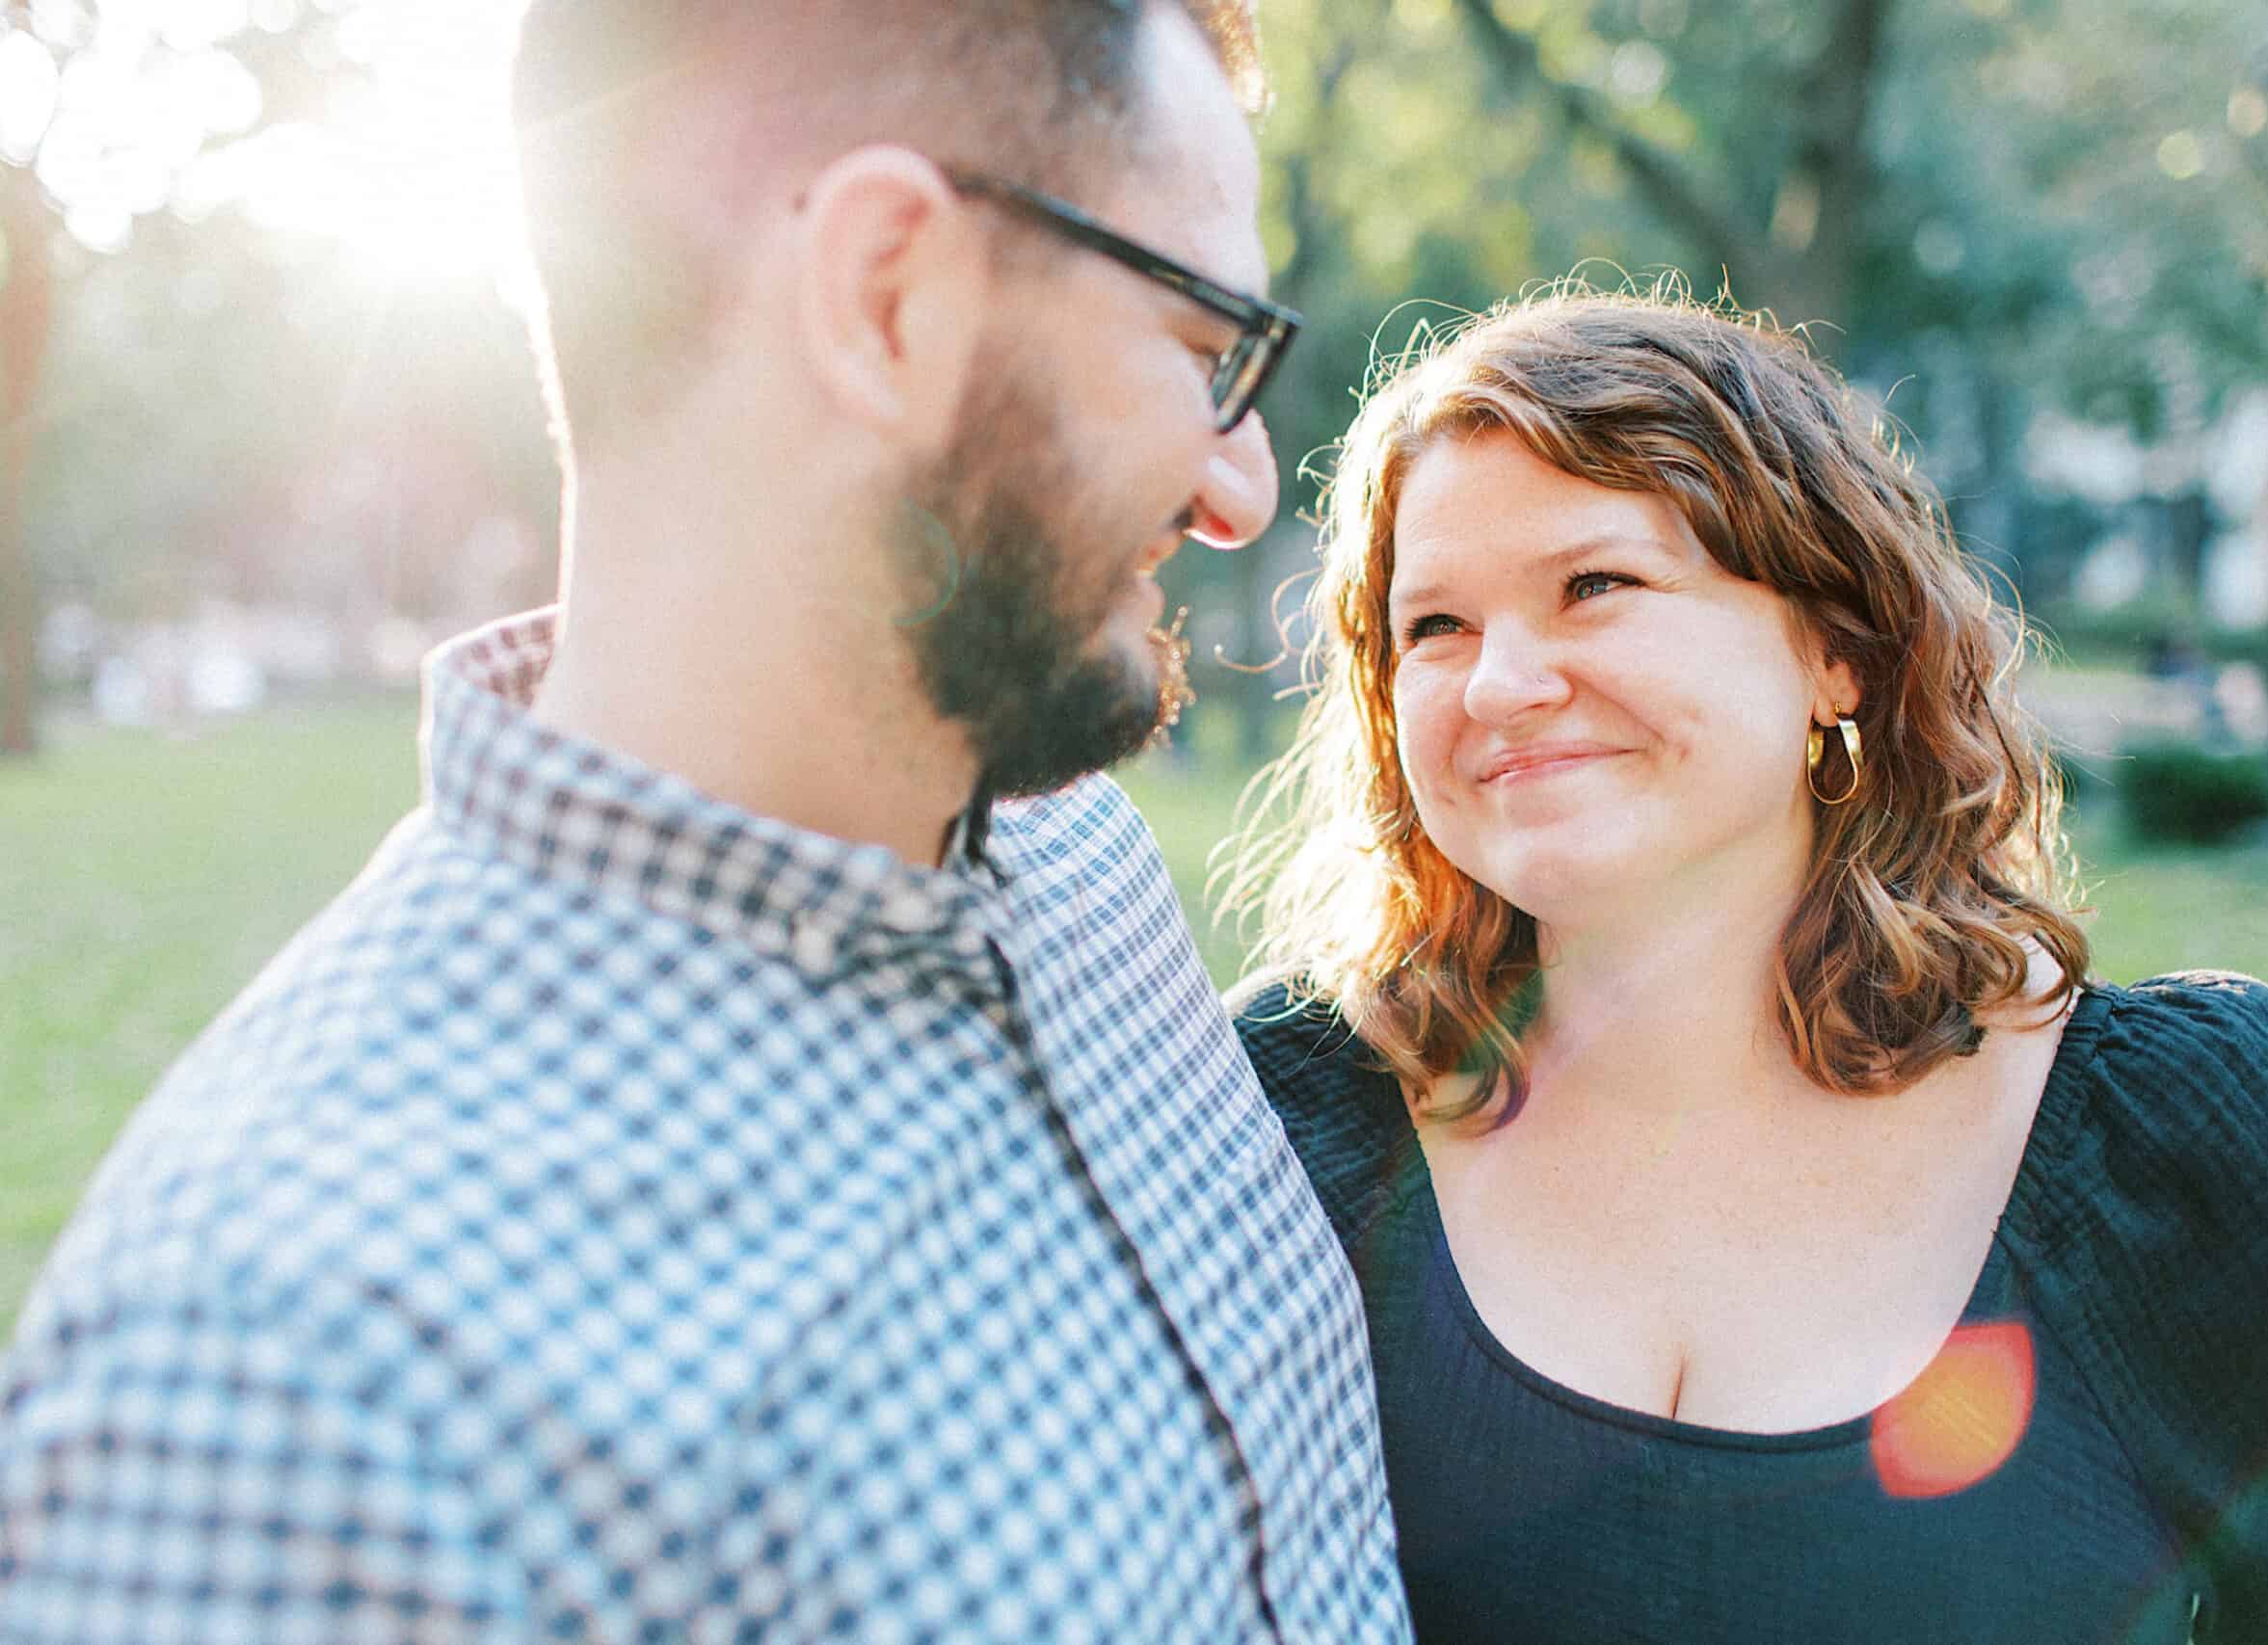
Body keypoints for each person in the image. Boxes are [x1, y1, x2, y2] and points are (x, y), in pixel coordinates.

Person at [0, 3, 1409, 1637]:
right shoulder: (278, 1406)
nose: (1244, 485)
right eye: (1201, 346)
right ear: (889, 294)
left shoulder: (1077, 857)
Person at [1222, 289, 2268, 1642]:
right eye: (1434, 627)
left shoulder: (2171, 1143)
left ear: (1839, 651)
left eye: (1596, 584)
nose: (1500, 682)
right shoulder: (1283, 1118)